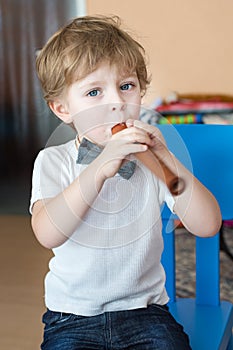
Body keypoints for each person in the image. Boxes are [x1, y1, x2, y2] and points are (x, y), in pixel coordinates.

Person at [30, 15, 221, 350]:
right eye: (93, 91)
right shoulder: (54, 161)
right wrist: (101, 166)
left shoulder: (153, 162)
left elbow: (208, 225)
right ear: (62, 109)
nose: (115, 102)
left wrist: (165, 160)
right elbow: (48, 233)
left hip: (146, 313)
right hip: (71, 317)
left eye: (126, 86)